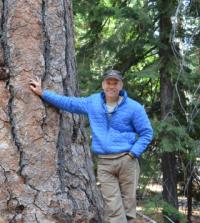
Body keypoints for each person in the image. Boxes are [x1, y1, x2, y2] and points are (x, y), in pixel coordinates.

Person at [30, 70, 153, 223]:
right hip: (105, 164)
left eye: (115, 83)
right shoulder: (93, 102)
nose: (112, 86)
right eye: (109, 82)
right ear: (103, 84)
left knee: (128, 205)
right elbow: (69, 103)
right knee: (113, 207)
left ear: (121, 85)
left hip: (127, 161)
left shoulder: (134, 107)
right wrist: (43, 93)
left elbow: (147, 133)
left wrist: (133, 154)